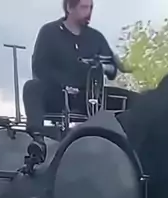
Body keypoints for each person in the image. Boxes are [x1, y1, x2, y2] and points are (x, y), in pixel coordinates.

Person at [23, 0, 119, 163]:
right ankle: (38, 140)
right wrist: (62, 85)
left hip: (88, 97)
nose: (89, 12)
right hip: (57, 95)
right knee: (31, 87)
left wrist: (100, 66)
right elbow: (39, 67)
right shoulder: (49, 32)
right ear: (69, 7)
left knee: (130, 100)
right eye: (84, 7)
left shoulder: (96, 37)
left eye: (91, 7)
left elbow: (112, 69)